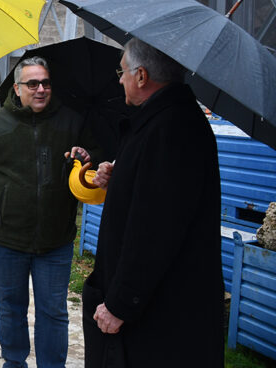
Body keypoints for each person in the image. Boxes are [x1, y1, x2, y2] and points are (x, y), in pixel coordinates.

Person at [82, 38, 224, 367]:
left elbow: (155, 229)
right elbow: (154, 192)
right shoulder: (162, 122)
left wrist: (119, 304)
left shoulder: (173, 129)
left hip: (161, 319)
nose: (119, 79)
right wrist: (122, 174)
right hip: (156, 310)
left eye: (122, 71)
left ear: (142, 76)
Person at [0, 56, 98, 368]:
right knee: (10, 307)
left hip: (56, 238)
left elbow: (97, 155)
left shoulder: (71, 122)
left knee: (54, 310)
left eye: (46, 83)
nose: (40, 89)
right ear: (18, 89)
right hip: (6, 237)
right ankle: (14, 361)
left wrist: (87, 155)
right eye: (32, 83)